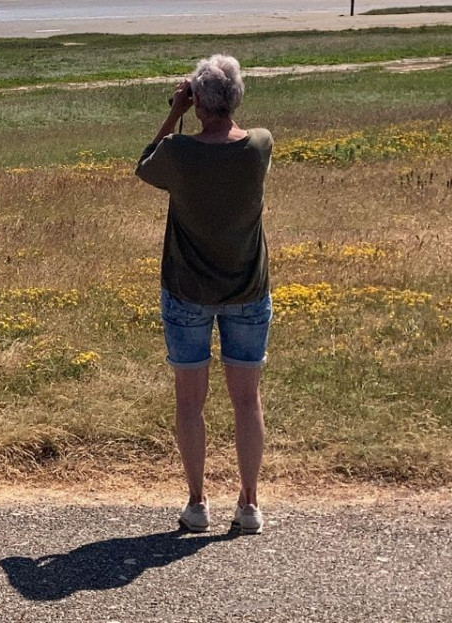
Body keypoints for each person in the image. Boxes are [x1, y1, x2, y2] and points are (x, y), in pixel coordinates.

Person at [135, 54, 273, 535]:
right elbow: (241, 132)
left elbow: (144, 166)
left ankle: (196, 503)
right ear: (236, 99)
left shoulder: (179, 152)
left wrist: (174, 111)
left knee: (190, 401)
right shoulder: (259, 146)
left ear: (198, 104)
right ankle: (249, 503)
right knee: (246, 399)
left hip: (187, 290)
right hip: (247, 289)